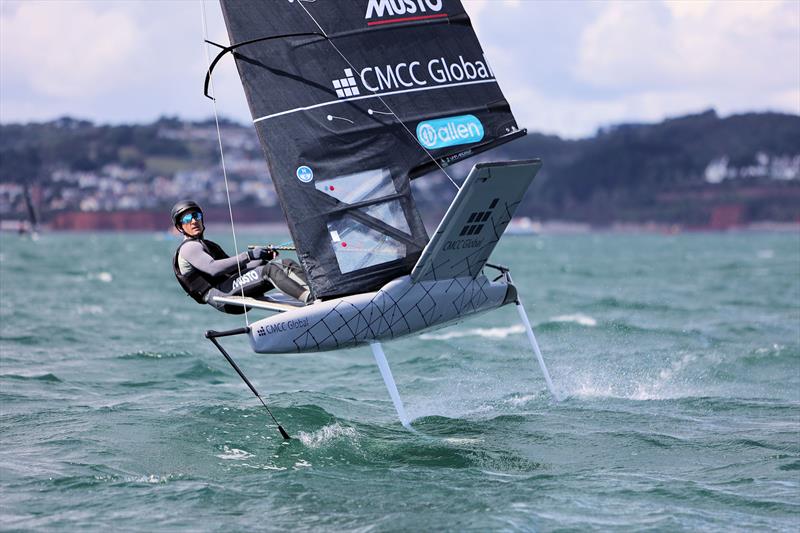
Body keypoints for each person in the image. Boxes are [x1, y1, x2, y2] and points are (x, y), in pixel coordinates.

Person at [170, 200, 311, 313]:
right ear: (180, 227)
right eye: (187, 219)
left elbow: (235, 270)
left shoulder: (208, 245)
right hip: (222, 297)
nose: (193, 221)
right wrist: (249, 255)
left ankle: (317, 293)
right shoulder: (189, 248)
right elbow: (213, 269)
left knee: (285, 263)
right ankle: (310, 300)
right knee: (270, 270)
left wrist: (261, 258)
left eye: (196, 216)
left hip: (229, 287)